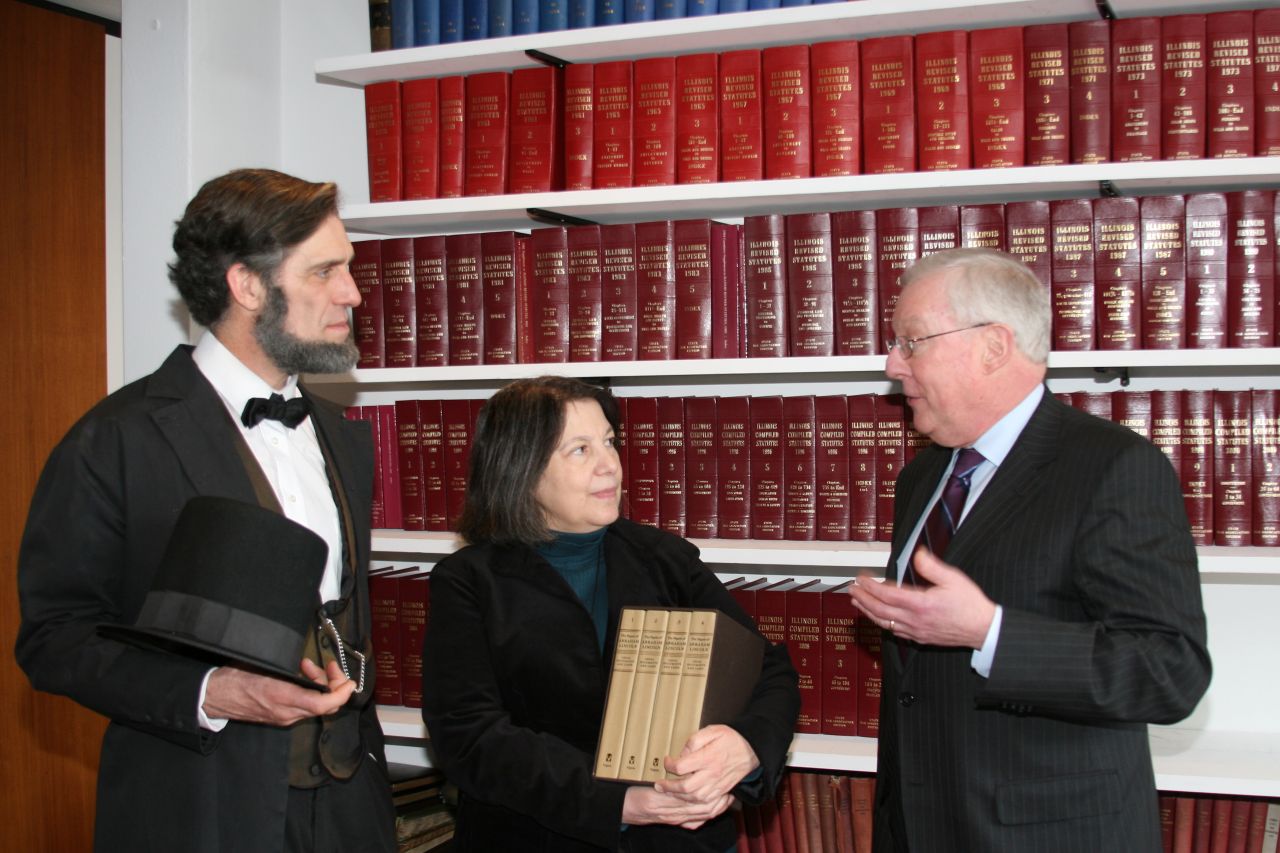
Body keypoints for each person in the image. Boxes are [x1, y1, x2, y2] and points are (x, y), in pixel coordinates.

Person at [16, 169, 396, 853]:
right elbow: (53, 638)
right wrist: (211, 691)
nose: (353, 292)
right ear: (247, 284)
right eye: (324, 272)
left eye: (349, 269)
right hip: (197, 812)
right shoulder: (117, 439)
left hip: (350, 810)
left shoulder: (344, 436)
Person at [848, 247, 1212, 853]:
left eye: (912, 341)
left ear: (993, 345)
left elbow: (1168, 672)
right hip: (919, 825)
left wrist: (990, 632)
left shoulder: (1114, 467)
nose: (893, 365)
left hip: (1045, 833)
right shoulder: (924, 477)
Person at [422, 376, 800, 853]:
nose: (609, 465)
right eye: (580, 450)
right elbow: (468, 736)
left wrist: (743, 747)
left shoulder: (664, 557)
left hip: (680, 839)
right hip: (536, 838)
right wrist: (619, 802)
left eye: (610, 442)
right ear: (521, 469)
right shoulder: (469, 581)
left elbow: (768, 671)